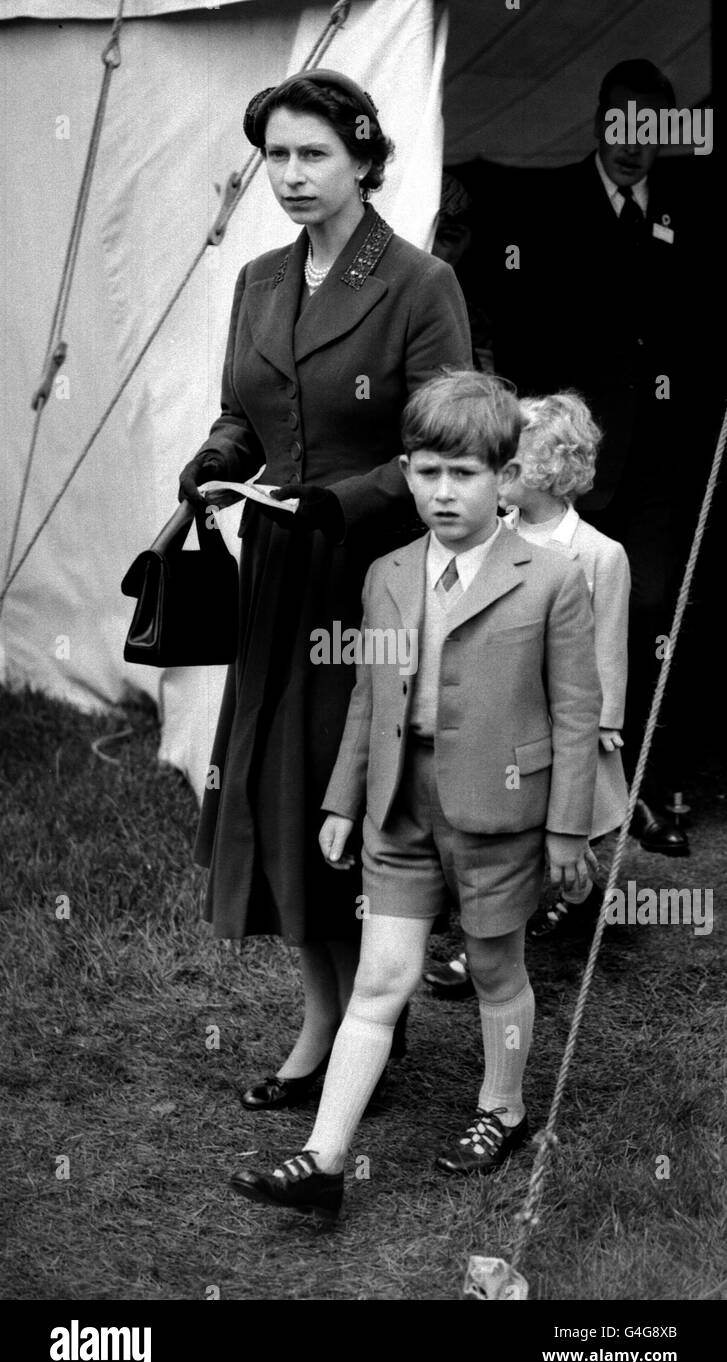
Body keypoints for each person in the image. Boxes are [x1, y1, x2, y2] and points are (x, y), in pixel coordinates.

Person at [229, 369, 601, 1214]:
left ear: (504, 479)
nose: (441, 492)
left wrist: (566, 831)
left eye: (463, 474)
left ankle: (500, 1109)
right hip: (400, 803)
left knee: (496, 969)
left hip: (502, 811)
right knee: (380, 980)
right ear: (406, 471)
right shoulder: (388, 573)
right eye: (425, 471)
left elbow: (578, 715)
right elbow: (369, 694)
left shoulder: (550, 580)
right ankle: (322, 1162)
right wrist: (341, 799)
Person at [176, 71, 473, 1107]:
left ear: (362, 160)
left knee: (345, 801)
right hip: (273, 580)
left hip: (368, 585)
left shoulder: (418, 283)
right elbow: (242, 411)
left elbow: (446, 449)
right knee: (272, 795)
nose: (292, 175)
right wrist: (212, 460)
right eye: (277, 155)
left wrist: (339, 503)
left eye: (314, 154)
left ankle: (369, 1020)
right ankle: (323, 1015)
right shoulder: (258, 278)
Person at [486, 60, 697, 856]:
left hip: (661, 467)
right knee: (547, 619)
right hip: (569, 461)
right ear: (599, 123)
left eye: (651, 130)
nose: (634, 146)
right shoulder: (543, 210)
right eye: (621, 127)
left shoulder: (692, 211)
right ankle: (545, 797)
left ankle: (652, 785)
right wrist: (536, 441)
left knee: (650, 616)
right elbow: (521, 337)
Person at [425, 392, 629, 1000]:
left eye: (507, 459)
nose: (493, 470)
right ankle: (485, 944)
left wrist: (605, 717)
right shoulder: (490, 538)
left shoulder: (598, 554)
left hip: (566, 714)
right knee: (500, 830)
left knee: (562, 825)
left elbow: (609, 644)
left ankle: (572, 890)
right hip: (504, 711)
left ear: (542, 469)